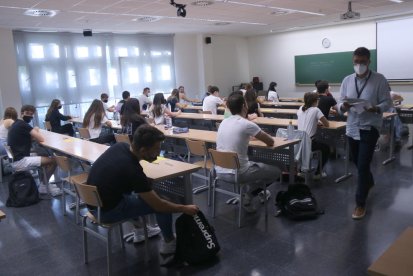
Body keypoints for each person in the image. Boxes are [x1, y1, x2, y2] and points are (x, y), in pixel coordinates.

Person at [86, 124, 199, 254]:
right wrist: (184, 208)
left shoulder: (120, 147)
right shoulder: (133, 170)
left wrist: (144, 185)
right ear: (143, 150)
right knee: (163, 202)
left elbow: (128, 178)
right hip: (107, 213)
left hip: (95, 205)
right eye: (156, 149)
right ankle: (169, 243)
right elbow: (160, 205)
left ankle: (140, 231)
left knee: (137, 193)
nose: (158, 152)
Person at [338, 47, 392, 220]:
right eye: (356, 62)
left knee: (362, 165)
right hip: (352, 126)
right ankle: (368, 181)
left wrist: (376, 108)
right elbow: (340, 102)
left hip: (370, 126)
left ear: (369, 62)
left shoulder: (379, 79)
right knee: (356, 161)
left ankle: (360, 204)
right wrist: (343, 106)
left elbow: (387, 102)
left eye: (362, 62)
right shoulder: (347, 80)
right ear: (353, 61)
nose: (359, 65)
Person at [216, 93, 281, 212]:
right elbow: (270, 142)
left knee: (255, 166)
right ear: (244, 106)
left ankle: (251, 192)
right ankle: (248, 195)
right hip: (238, 173)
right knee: (276, 172)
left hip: (219, 171)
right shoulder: (247, 124)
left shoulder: (223, 123)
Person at [8, 105, 60, 195]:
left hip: (16, 158)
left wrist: (33, 132)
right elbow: (40, 139)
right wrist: (35, 129)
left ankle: (44, 182)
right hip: (21, 161)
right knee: (54, 161)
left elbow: (29, 138)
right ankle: (43, 186)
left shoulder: (16, 123)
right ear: (22, 113)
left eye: (31, 114)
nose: (30, 116)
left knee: (44, 156)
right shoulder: (23, 124)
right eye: (28, 113)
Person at [297, 92, 330, 179]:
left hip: (298, 141)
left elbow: (305, 121)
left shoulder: (300, 108)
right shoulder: (316, 110)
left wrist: (315, 122)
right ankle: (318, 173)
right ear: (315, 101)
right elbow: (327, 124)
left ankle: (301, 171)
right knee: (326, 149)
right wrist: (317, 122)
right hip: (309, 142)